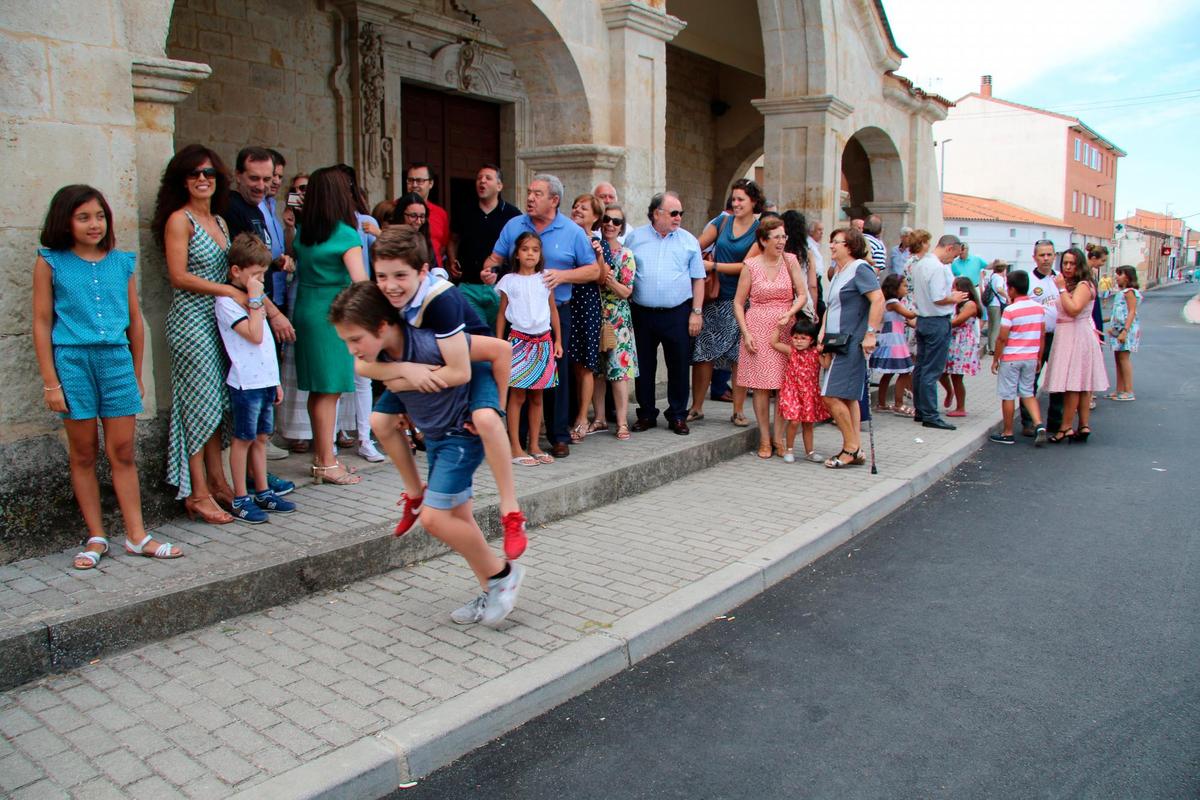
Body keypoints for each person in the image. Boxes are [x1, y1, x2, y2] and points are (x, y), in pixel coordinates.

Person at [331, 283, 525, 627]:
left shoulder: (434, 338)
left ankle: (502, 577)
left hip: (459, 436)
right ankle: (491, 589)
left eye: (355, 339)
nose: (351, 349)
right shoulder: (384, 351)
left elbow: (495, 353)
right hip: (436, 437)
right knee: (459, 518)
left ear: (380, 327)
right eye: (346, 341)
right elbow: (365, 371)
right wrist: (403, 373)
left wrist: (493, 409)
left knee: (436, 520)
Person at [33, 185, 181, 567]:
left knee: (123, 451)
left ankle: (136, 535)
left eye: (99, 216)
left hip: (116, 362)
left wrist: (135, 373)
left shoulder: (121, 262)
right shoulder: (51, 261)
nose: (94, 224)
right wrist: (51, 382)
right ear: (65, 220)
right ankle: (96, 537)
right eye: (83, 217)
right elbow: (41, 321)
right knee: (83, 454)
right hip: (73, 362)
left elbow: (135, 321)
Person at [367, 226, 528, 557]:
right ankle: (414, 495)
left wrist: (496, 409)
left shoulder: (440, 300)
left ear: (423, 271)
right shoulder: (381, 296)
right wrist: (402, 371)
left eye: (400, 275)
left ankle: (511, 511)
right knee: (380, 421)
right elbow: (358, 363)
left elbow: (460, 371)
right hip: (423, 363)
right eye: (382, 275)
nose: (389, 285)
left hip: (470, 361)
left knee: (484, 419)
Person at [154, 145, 288, 521]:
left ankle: (217, 482)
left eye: (209, 173)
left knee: (219, 407)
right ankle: (195, 492)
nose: (202, 179)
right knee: (199, 407)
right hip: (191, 321)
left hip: (220, 321)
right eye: (195, 174)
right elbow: (178, 276)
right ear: (182, 180)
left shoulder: (221, 221)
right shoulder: (180, 219)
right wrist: (230, 291)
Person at [483, 174, 599, 458]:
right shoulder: (514, 225)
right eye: (530, 191)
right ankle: (518, 441)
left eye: (538, 193)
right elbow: (495, 259)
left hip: (555, 313)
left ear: (554, 200)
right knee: (519, 383)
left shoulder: (571, 231)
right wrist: (488, 270)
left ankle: (558, 436)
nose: (530, 197)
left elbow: (594, 271)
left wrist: (563, 275)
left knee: (554, 378)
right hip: (518, 320)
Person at [291, 167, 368, 485]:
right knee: (330, 390)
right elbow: (360, 282)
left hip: (305, 307)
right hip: (332, 313)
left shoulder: (304, 232)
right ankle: (326, 462)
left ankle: (322, 457)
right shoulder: (345, 233)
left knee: (317, 389)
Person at [213, 234, 297, 523]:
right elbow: (255, 334)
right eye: (256, 275)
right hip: (245, 382)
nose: (260, 281)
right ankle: (240, 496)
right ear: (236, 272)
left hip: (264, 380)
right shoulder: (227, 302)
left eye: (262, 275)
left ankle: (262, 490)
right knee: (244, 439)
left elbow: (267, 347)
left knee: (262, 437)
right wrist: (254, 299)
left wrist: (275, 381)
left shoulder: (254, 301)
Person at [626, 191, 705, 435]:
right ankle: (647, 413)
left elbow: (698, 279)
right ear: (656, 213)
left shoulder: (688, 241)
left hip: (677, 313)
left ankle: (677, 415)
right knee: (644, 366)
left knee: (679, 365)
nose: (678, 217)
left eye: (681, 213)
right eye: (673, 213)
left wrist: (696, 312)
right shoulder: (634, 238)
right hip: (642, 313)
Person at [733, 217, 809, 458]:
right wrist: (745, 333)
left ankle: (779, 438)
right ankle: (765, 439)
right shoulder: (751, 265)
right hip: (757, 326)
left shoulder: (791, 261)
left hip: (785, 327)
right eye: (776, 237)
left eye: (783, 236)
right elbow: (737, 302)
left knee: (784, 386)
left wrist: (790, 313)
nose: (781, 241)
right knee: (762, 387)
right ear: (763, 240)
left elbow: (803, 295)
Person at [690, 179, 763, 425]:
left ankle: (738, 410)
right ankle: (696, 407)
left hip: (743, 301)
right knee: (703, 354)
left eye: (741, 199)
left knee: (739, 357)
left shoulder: (759, 229)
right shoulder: (721, 222)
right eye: (734, 199)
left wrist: (713, 265)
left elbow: (748, 265)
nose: (736, 203)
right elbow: (695, 246)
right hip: (715, 297)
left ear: (753, 201)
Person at [331, 164, 385, 463]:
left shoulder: (365, 223)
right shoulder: (326, 227)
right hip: (337, 309)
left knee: (364, 378)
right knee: (336, 380)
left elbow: (382, 257)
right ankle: (333, 440)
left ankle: (365, 439)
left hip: (361, 306)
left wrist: (377, 233)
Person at [818, 227, 883, 468]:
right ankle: (856, 448)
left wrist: (870, 334)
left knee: (830, 395)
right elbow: (832, 308)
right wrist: (822, 334)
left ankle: (850, 448)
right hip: (836, 342)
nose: (832, 245)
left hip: (852, 342)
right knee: (849, 397)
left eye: (837, 242)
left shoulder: (860, 269)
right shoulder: (838, 272)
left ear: (851, 246)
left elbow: (878, 299)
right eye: (831, 241)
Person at [496, 232, 562, 466]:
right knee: (517, 395)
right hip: (518, 343)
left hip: (543, 341)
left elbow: (553, 310)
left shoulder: (546, 279)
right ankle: (515, 445)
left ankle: (534, 444)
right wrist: (499, 344)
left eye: (535, 249)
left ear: (540, 253)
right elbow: (502, 314)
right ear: (517, 253)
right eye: (525, 249)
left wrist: (558, 341)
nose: (530, 253)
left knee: (537, 396)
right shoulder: (508, 280)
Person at [1043, 247, 1108, 442]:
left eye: (1072, 263)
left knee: (1074, 382)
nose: (1068, 267)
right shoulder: (1073, 284)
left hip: (1077, 333)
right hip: (1068, 333)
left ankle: (1066, 427)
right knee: (1079, 383)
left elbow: (1073, 309)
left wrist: (1062, 288)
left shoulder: (1083, 285)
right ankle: (1083, 425)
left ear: (1080, 265)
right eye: (1065, 263)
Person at [590, 203, 638, 440]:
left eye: (616, 222)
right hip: (594, 314)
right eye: (607, 219)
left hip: (617, 317)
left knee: (618, 371)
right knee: (597, 372)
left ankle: (621, 422)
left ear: (621, 227)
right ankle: (599, 418)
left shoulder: (626, 254)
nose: (610, 224)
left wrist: (608, 280)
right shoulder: (592, 249)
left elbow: (627, 292)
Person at [910, 233, 967, 430]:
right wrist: (954, 298)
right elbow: (938, 297)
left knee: (921, 367)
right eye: (954, 255)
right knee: (931, 370)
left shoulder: (920, 264)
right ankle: (930, 414)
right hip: (937, 320)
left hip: (923, 319)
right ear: (949, 248)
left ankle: (921, 410)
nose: (953, 260)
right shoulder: (936, 267)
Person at [453, 164, 520, 327]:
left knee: (498, 337)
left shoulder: (513, 215)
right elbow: (453, 238)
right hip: (469, 285)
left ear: (499, 186)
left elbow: (520, 248)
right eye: (479, 178)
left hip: (500, 287)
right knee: (476, 334)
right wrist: (452, 260)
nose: (482, 182)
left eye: (488, 178)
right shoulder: (464, 210)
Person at [988, 270, 1047, 446]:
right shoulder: (1038, 308)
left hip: (1012, 357)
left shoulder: (1010, 310)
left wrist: (996, 358)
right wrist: (1038, 357)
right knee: (1028, 393)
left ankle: (1008, 432)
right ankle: (1039, 424)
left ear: (1011, 289)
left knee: (1008, 395)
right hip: (1031, 356)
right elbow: (1042, 335)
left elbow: (1002, 337)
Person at [1014, 240, 1064, 436]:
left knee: (1058, 378)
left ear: (1054, 256)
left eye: (1049, 255)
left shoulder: (1060, 279)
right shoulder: (1029, 281)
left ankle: (1056, 420)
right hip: (1035, 336)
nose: (1046, 259)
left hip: (1058, 335)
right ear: (1034, 257)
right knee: (1030, 377)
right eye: (1042, 255)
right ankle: (1028, 422)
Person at [567, 193, 605, 442]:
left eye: (584, 208)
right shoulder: (563, 236)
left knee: (585, 365)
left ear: (596, 217)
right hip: (564, 303)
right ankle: (562, 417)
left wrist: (600, 255)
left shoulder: (596, 243)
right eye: (575, 206)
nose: (578, 210)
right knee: (565, 364)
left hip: (587, 306)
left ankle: (582, 418)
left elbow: (602, 279)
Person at [773, 317, 830, 463]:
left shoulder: (816, 354)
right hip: (792, 391)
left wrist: (827, 350)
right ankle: (789, 449)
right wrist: (779, 328)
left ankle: (810, 452)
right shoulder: (790, 350)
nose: (798, 341)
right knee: (793, 421)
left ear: (811, 340)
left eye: (803, 338)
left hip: (809, 393)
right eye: (795, 337)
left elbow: (826, 364)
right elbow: (773, 343)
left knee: (808, 423)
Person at [871, 273, 916, 416]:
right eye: (904, 285)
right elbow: (910, 315)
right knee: (904, 372)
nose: (906, 288)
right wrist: (923, 308)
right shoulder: (893, 303)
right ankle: (898, 403)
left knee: (888, 374)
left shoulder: (891, 303)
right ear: (894, 288)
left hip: (894, 340)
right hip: (893, 342)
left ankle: (882, 403)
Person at [940, 276, 982, 417]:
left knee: (957, 376)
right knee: (941, 372)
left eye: (954, 287)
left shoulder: (970, 304)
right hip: (952, 341)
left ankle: (961, 407)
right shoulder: (955, 305)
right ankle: (949, 392)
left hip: (962, 343)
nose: (952, 290)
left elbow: (957, 321)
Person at [402, 163, 451, 268]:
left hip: (435, 273)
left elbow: (442, 246)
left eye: (419, 181)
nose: (414, 185)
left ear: (431, 183)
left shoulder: (440, 213)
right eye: (410, 180)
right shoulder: (395, 207)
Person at [1106, 265, 1141, 401]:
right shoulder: (1122, 293)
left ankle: (1129, 391)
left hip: (1125, 330)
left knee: (1124, 359)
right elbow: (1119, 312)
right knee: (1118, 359)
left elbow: (1132, 311)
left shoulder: (1129, 292)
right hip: (1118, 329)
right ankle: (1119, 390)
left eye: (1119, 274)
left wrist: (1125, 331)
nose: (1116, 277)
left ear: (1127, 276)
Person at [981, 260, 1009, 355]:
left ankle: (990, 346)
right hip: (996, 304)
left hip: (990, 304)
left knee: (991, 326)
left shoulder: (993, 276)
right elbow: (999, 289)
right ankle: (993, 348)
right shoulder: (999, 278)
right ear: (1003, 269)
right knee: (996, 326)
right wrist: (1007, 297)